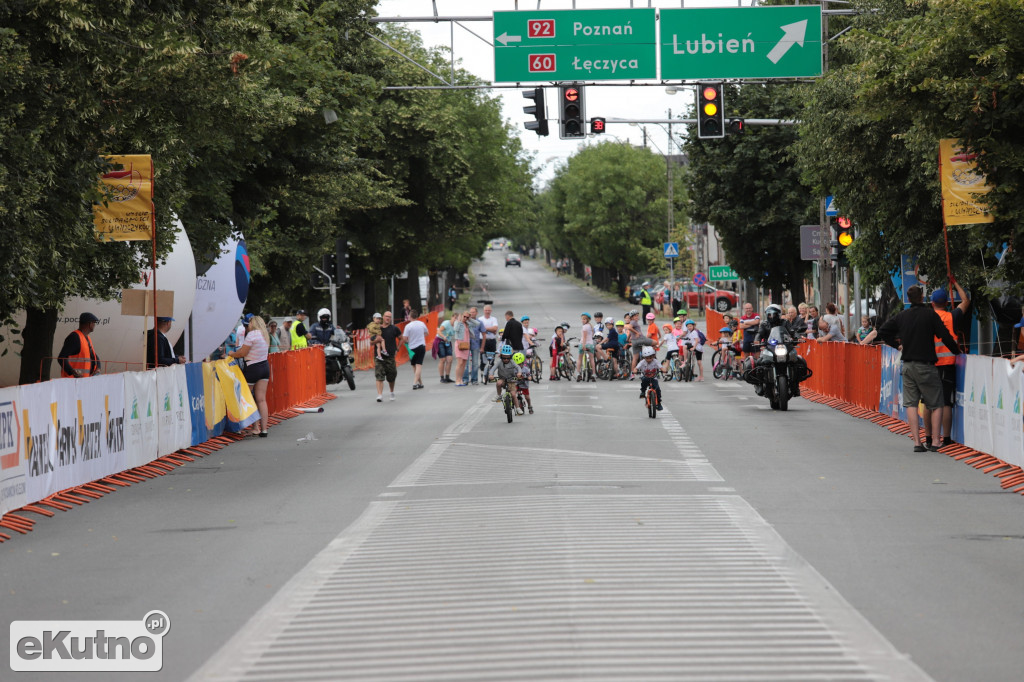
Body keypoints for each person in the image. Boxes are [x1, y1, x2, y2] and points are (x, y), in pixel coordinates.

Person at [877, 285, 961, 452]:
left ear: (908, 299)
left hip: (907, 365)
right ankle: (936, 441)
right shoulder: (930, 315)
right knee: (936, 403)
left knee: (911, 404)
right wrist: (957, 352)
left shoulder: (902, 316)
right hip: (926, 365)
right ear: (922, 297)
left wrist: (896, 345)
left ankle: (917, 442)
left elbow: (883, 331)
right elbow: (945, 336)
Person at [922, 282, 971, 447]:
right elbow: (965, 300)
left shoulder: (927, 318)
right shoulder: (952, 316)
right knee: (945, 402)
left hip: (930, 364)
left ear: (932, 303)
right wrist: (955, 282)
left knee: (929, 402)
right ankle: (947, 438)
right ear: (948, 303)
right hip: (948, 364)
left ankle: (928, 438)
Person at [228, 315, 271, 437]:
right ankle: (263, 430)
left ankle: (242, 427)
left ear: (252, 324)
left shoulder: (252, 335)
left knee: (245, 398)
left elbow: (243, 352)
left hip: (253, 368)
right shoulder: (264, 335)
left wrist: (232, 353)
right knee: (261, 400)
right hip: (265, 367)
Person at [57, 312, 101, 378]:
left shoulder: (86, 337)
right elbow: (61, 358)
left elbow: (94, 355)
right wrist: (72, 371)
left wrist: (98, 367)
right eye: (94, 322)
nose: (94, 325)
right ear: (90, 324)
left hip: (83, 380)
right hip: (72, 381)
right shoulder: (75, 337)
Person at [373, 311, 402, 402]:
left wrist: (397, 349)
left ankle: (391, 392)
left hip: (390, 356)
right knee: (379, 375)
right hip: (379, 356)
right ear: (383, 318)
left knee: (391, 376)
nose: (388, 318)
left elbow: (401, 338)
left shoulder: (394, 329)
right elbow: (371, 342)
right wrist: (375, 340)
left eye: (389, 317)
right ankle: (380, 395)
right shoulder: (377, 329)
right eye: (386, 316)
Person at [403, 309, 429, 390]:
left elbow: (404, 338)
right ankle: (419, 383)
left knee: (414, 365)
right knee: (418, 365)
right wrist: (420, 336)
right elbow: (427, 333)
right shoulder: (422, 324)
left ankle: (415, 383)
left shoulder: (408, 326)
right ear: (417, 316)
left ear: (409, 316)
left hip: (411, 348)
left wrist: (409, 340)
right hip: (421, 346)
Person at [634, 345, 663, 411]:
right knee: (644, 381)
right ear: (644, 357)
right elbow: (636, 368)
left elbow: (660, 367)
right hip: (645, 376)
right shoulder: (642, 362)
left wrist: (663, 370)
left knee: (657, 389)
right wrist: (635, 370)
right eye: (647, 358)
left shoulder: (655, 361)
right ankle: (643, 392)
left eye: (650, 357)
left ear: (653, 356)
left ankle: (658, 403)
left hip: (653, 377)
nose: (648, 359)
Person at [453, 310, 472, 387]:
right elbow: (456, 329)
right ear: (461, 316)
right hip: (459, 344)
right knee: (459, 363)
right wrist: (460, 320)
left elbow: (477, 324)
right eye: (464, 316)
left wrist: (470, 319)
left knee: (464, 364)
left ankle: (460, 379)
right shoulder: (457, 322)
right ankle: (457, 380)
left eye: (467, 317)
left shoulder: (467, 324)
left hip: (466, 345)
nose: (465, 318)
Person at [436, 313, 456, 383]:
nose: (455, 320)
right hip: (440, 341)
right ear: (452, 317)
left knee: (450, 359)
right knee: (443, 359)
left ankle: (447, 377)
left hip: (448, 342)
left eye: (457, 319)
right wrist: (443, 336)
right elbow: (439, 331)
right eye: (455, 318)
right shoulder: (446, 323)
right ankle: (442, 377)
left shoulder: (456, 326)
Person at [576, 312, 596, 381]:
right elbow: (591, 335)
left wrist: (583, 345)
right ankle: (594, 374)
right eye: (582, 319)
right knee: (592, 359)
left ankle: (578, 374)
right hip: (590, 344)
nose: (583, 320)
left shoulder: (584, 327)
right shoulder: (591, 326)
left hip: (583, 344)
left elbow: (584, 337)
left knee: (579, 359)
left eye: (584, 319)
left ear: (588, 320)